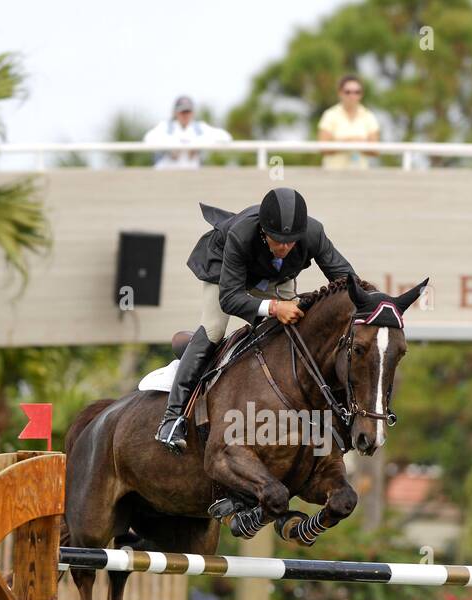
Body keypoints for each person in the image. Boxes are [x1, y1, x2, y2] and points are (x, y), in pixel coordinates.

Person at [154, 187, 356, 451]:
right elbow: (230, 298)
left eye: (291, 241)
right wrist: (273, 307)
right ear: (263, 231)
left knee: (297, 324)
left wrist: (370, 302)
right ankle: (172, 418)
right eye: (277, 240)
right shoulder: (242, 235)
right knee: (214, 330)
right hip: (225, 274)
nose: (284, 247)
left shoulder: (313, 233)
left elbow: (346, 279)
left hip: (275, 275)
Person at [142, 96, 232, 170]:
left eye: (188, 111)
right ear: (176, 113)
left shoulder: (200, 128)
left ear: (192, 113)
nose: (185, 115)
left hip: (192, 178)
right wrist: (172, 147)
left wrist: (196, 145)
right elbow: (148, 138)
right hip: (166, 176)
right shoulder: (165, 127)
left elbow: (226, 137)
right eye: (182, 111)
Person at [317, 75, 381, 170]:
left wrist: (345, 143)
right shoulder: (330, 115)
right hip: (332, 174)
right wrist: (349, 142)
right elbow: (323, 148)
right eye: (348, 92)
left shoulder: (368, 116)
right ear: (340, 93)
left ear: (361, 94)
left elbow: (375, 150)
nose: (352, 96)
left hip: (360, 173)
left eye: (357, 92)